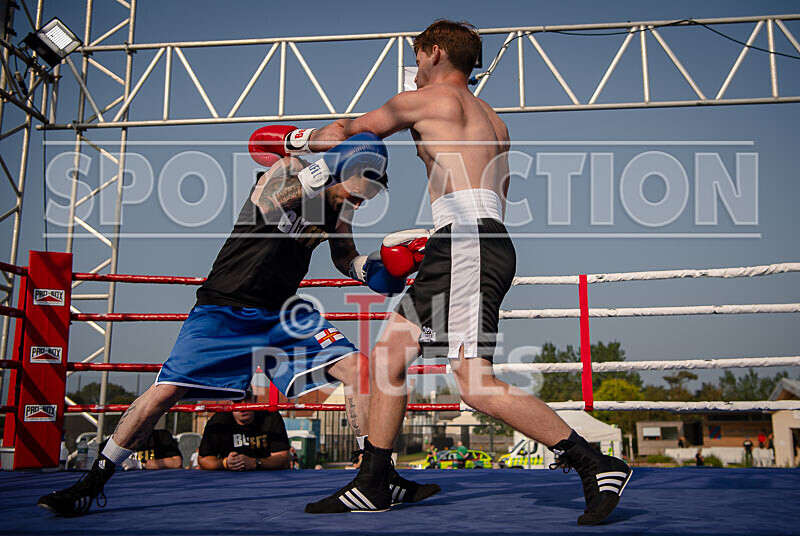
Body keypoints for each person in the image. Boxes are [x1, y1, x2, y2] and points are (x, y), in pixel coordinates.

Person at [301, 20, 632, 524]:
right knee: (388, 357)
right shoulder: (493, 118)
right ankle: (375, 480)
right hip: (465, 241)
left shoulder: (427, 101)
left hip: (467, 244)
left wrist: (292, 140)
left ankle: (595, 463)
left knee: (473, 384)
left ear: (434, 52)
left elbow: (349, 130)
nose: (413, 71)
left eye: (416, 59)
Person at [37, 134, 437, 515]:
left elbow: (343, 257)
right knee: (164, 393)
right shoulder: (288, 169)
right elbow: (268, 205)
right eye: (363, 185)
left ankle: (376, 475)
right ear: (344, 168)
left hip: (282, 312)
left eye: (372, 191)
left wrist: (380, 272)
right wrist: (321, 169)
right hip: (225, 307)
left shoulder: (339, 210)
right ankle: (91, 483)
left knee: (361, 369)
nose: (364, 198)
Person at [198, 394, 290, 471]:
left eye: (247, 400)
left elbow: (283, 457)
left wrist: (255, 462)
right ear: (229, 403)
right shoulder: (218, 421)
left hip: (267, 477)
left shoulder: (270, 417)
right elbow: (203, 459)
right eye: (237, 401)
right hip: (229, 480)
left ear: (255, 399)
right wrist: (225, 463)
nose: (243, 407)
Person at [98, 429, 182, 471]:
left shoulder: (161, 437)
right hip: (123, 486)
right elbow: (98, 463)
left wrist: (140, 465)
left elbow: (176, 463)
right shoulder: (113, 441)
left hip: (154, 485)